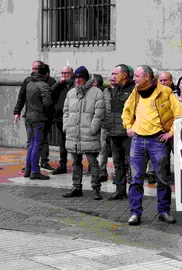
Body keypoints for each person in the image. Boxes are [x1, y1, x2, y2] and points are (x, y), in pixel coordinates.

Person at [122, 65, 182, 226]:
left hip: (158, 140)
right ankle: (135, 213)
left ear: (147, 77)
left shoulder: (165, 92)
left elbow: (179, 115)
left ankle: (163, 211)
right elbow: (126, 111)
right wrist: (128, 126)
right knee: (136, 179)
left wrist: (171, 132)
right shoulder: (136, 92)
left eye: (136, 76)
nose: (133, 78)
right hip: (138, 139)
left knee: (162, 179)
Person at [61, 66, 105, 200]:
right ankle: (76, 187)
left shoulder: (96, 92)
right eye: (76, 78)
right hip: (73, 133)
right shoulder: (71, 93)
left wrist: (93, 129)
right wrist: (66, 126)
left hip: (89, 134)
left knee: (93, 163)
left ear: (86, 78)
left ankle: (96, 188)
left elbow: (99, 114)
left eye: (80, 78)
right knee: (75, 162)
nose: (78, 80)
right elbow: (66, 111)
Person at [104, 64, 135, 200]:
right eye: (112, 73)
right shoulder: (113, 89)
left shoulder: (134, 90)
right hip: (113, 132)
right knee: (117, 162)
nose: (113, 76)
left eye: (116, 74)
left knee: (132, 163)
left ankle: (134, 191)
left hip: (128, 133)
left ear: (124, 75)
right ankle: (120, 190)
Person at [22, 63, 53, 180]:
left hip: (29, 117)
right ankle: (35, 170)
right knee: (37, 144)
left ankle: (28, 169)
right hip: (39, 118)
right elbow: (47, 103)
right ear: (45, 74)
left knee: (31, 143)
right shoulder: (43, 85)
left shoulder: (30, 83)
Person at [51, 65, 75, 175]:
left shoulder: (75, 85)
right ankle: (62, 165)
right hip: (60, 118)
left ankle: (76, 165)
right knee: (62, 143)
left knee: (74, 143)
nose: (64, 76)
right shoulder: (60, 85)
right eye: (62, 73)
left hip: (72, 118)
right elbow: (50, 92)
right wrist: (58, 83)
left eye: (66, 73)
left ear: (72, 74)